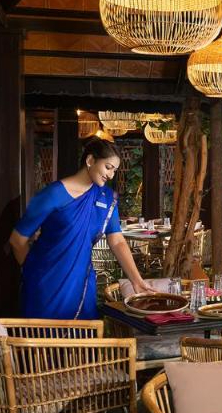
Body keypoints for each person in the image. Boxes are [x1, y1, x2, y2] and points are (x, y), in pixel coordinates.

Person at [10, 137, 152, 319]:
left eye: (114, 170)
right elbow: (17, 240)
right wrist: (36, 271)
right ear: (90, 160)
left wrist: (137, 280)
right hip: (45, 284)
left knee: (82, 343)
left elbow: (117, 241)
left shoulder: (107, 198)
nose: (111, 175)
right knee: (42, 343)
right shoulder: (53, 194)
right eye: (108, 167)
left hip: (80, 282)